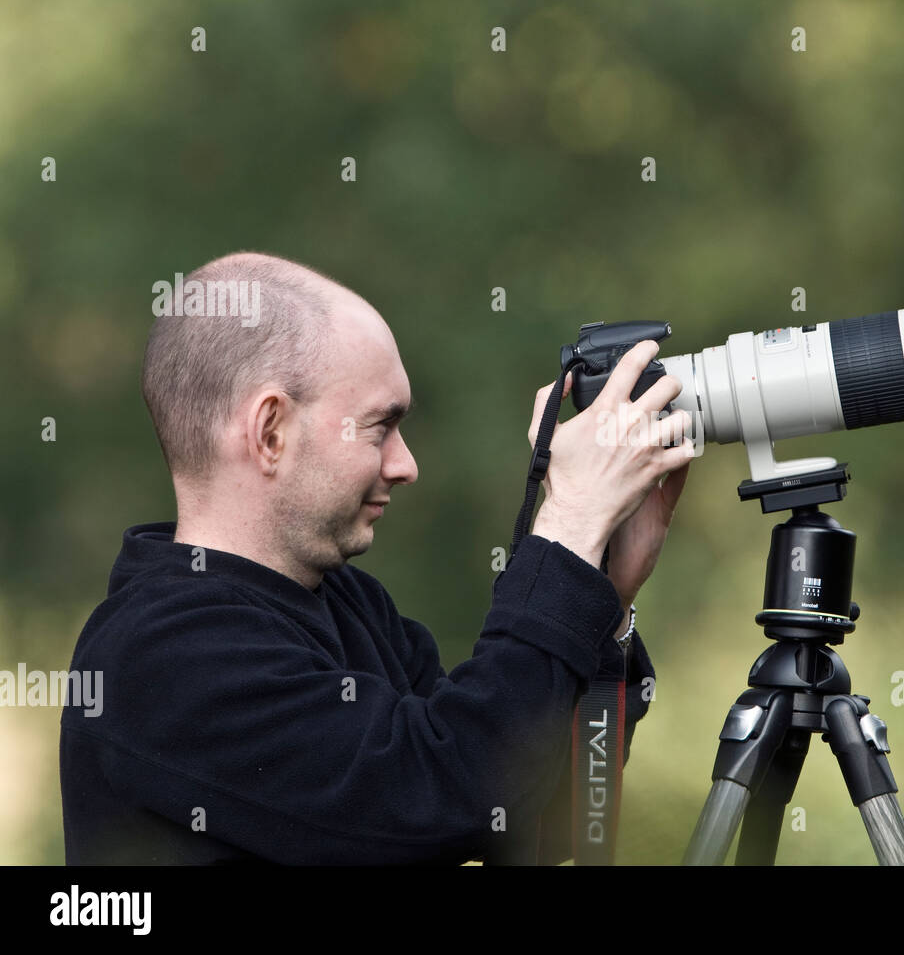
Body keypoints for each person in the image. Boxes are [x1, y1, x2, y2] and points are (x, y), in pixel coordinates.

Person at [59, 251, 693, 864]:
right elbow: (446, 793)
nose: (405, 464)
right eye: (378, 427)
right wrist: (566, 528)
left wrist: (604, 593)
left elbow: (532, 823)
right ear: (270, 431)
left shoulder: (349, 605)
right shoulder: (160, 654)